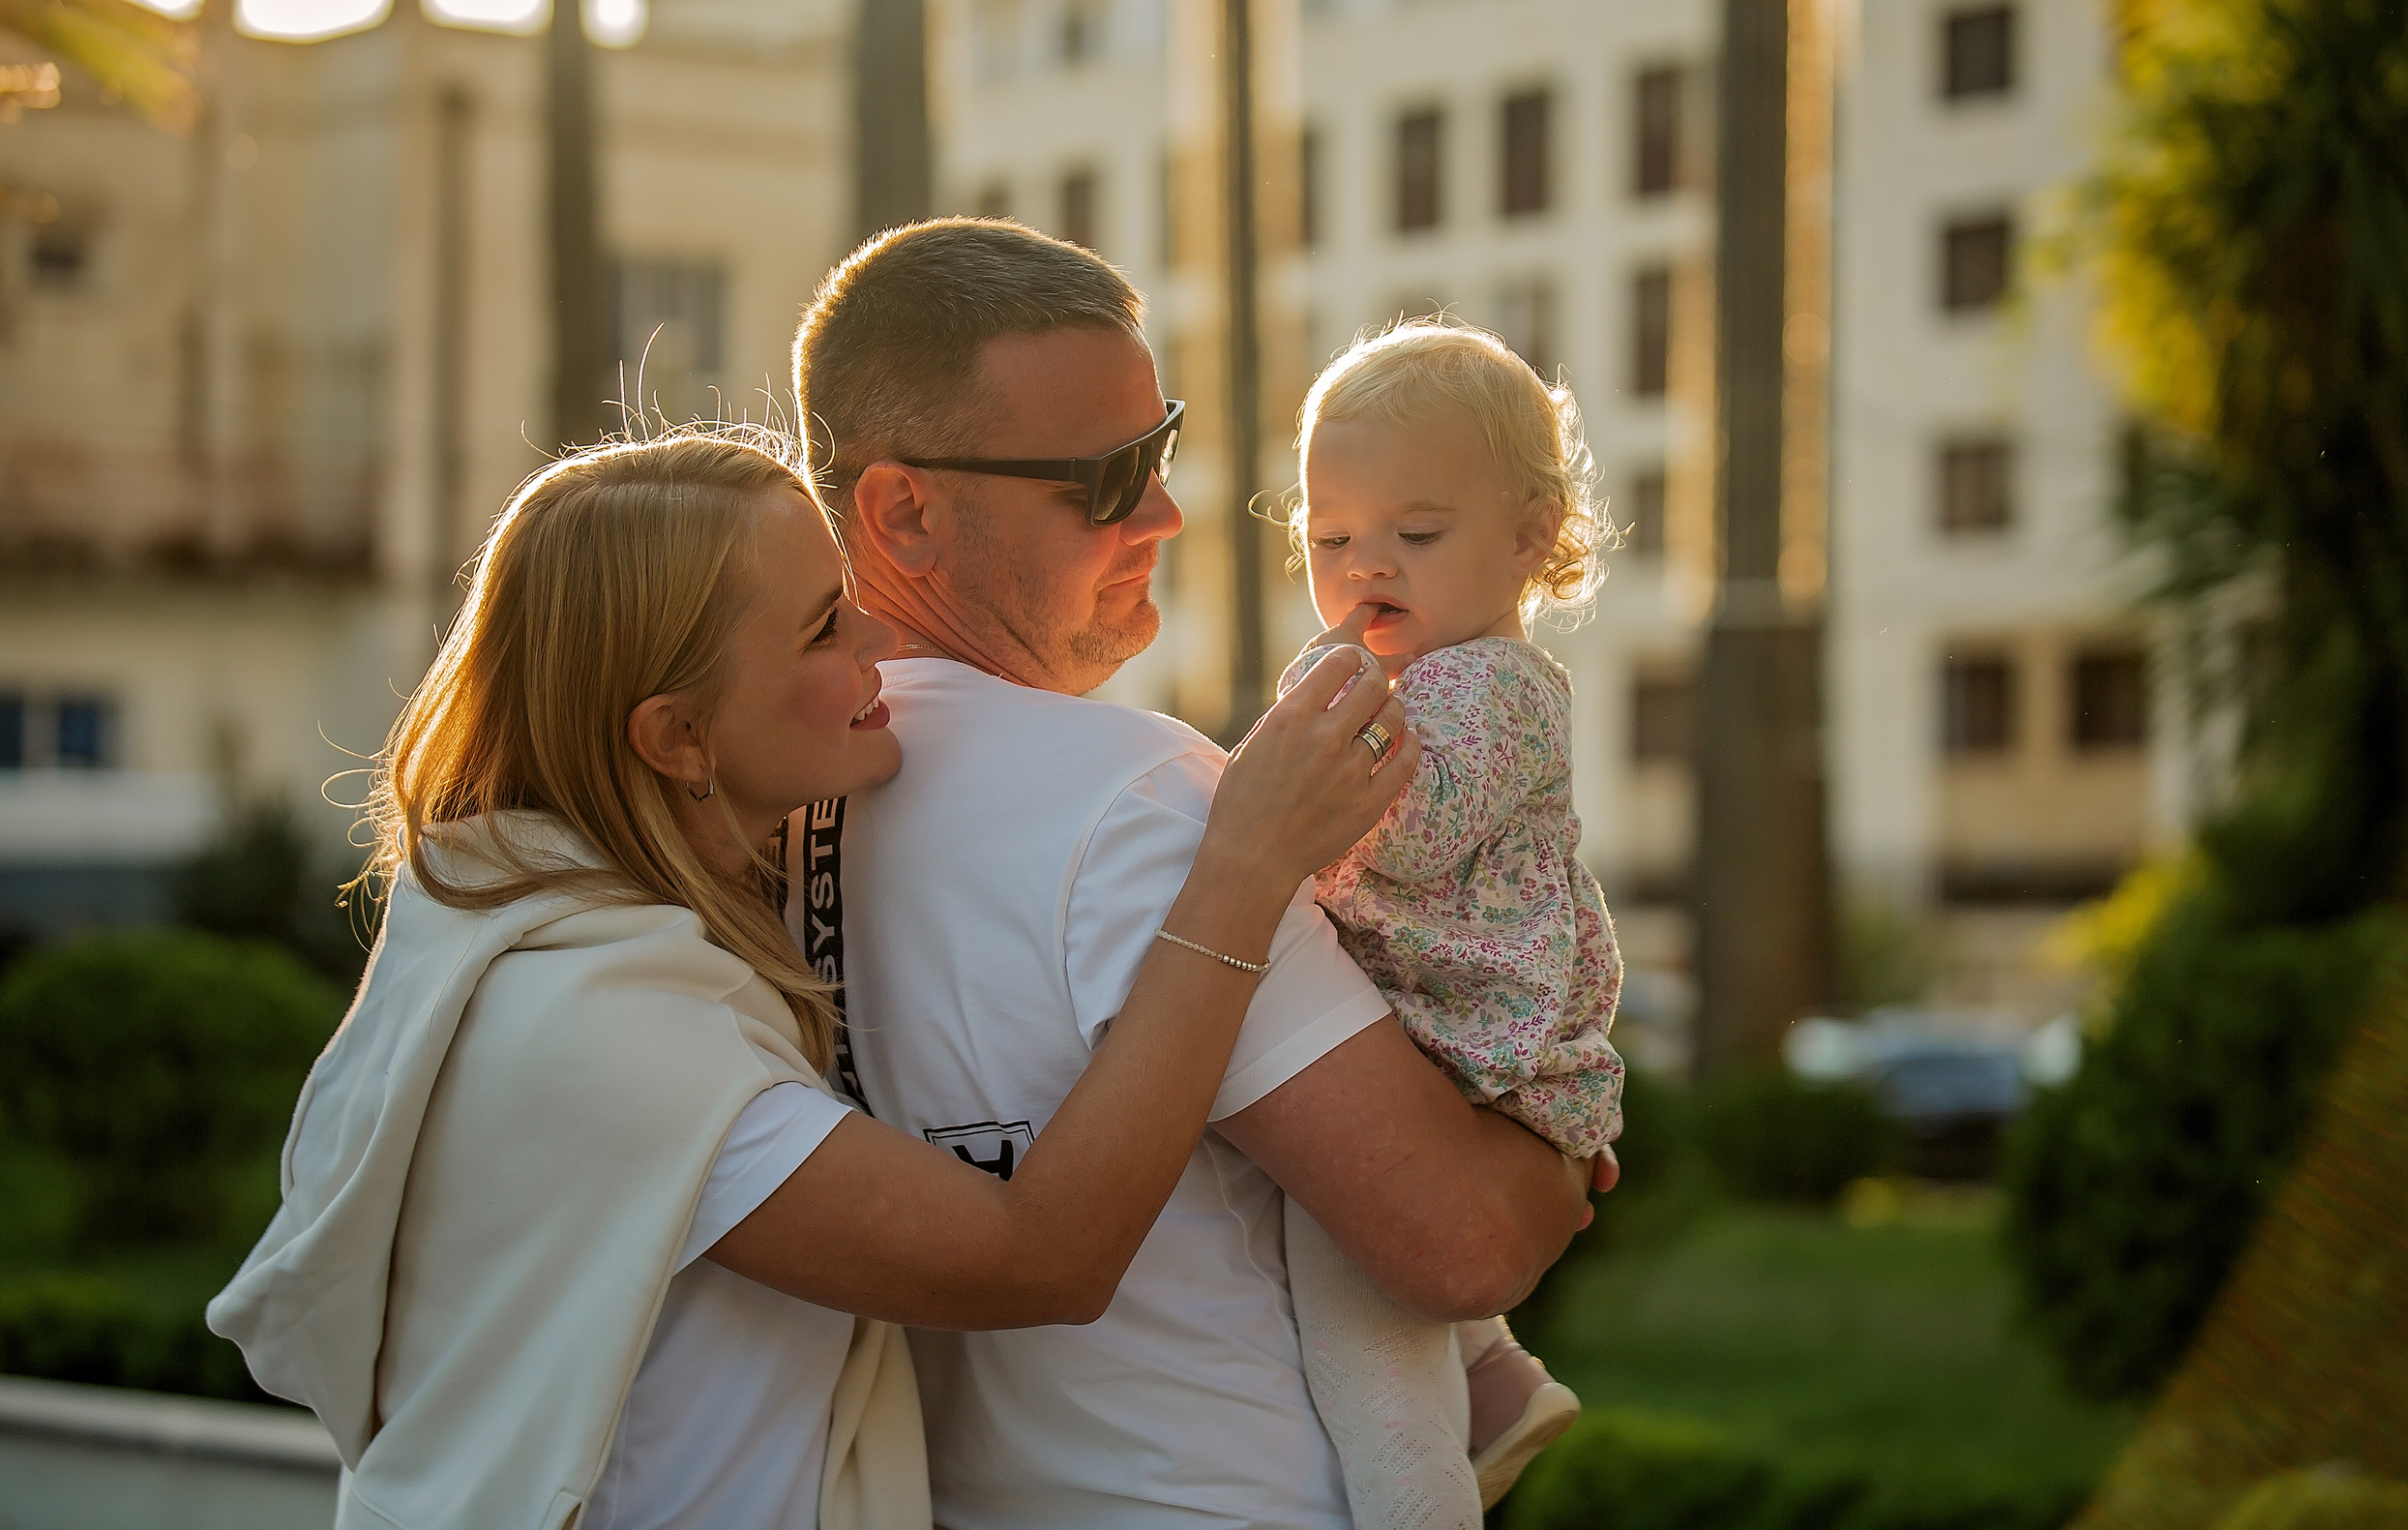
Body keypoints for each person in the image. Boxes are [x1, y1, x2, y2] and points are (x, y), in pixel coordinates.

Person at [206, 427, 1412, 1529]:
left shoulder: (552, 923)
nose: (879, 638)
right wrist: (1242, 868)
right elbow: (1035, 1259)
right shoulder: (589, 1023)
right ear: (677, 738)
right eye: (823, 626)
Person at [788, 218, 1600, 1530]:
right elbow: (1459, 1237)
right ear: (905, 510)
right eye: (1106, 477)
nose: (1167, 506)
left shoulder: (766, 799)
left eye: (1157, 447)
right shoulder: (1139, 801)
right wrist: (1566, 1148)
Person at [1274, 318, 1627, 1525]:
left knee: (1354, 1301)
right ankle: (1491, 1377)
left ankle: (1417, 1492)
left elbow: (1404, 830)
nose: (1367, 566)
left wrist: (1313, 708)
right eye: (1331, 538)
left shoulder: (1493, 688)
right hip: (1443, 1021)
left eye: (1415, 536)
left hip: (1468, 1028)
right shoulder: (1426, 680)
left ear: (1529, 536)